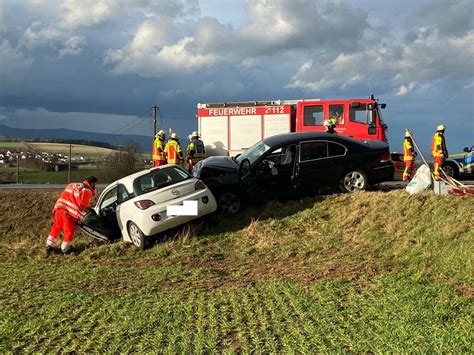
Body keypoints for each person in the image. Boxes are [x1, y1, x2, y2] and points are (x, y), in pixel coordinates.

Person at [45, 176, 98, 254]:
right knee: (69, 230)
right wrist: (80, 216)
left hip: (59, 207)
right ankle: (65, 248)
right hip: (68, 212)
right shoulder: (86, 191)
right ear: (92, 184)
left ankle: (49, 245)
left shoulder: (73, 184)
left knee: (56, 226)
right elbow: (82, 205)